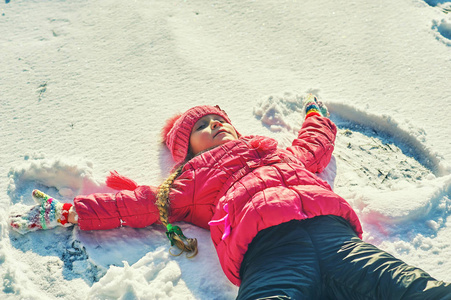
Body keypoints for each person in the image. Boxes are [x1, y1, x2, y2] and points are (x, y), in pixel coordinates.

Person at [9, 96, 451, 299]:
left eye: (219, 119)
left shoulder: (277, 151)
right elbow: (134, 204)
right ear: (188, 150)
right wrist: (68, 211)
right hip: (270, 255)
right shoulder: (190, 180)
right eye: (202, 127)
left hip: (336, 239)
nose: (215, 126)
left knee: (413, 289)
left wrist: (317, 115)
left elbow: (314, 144)